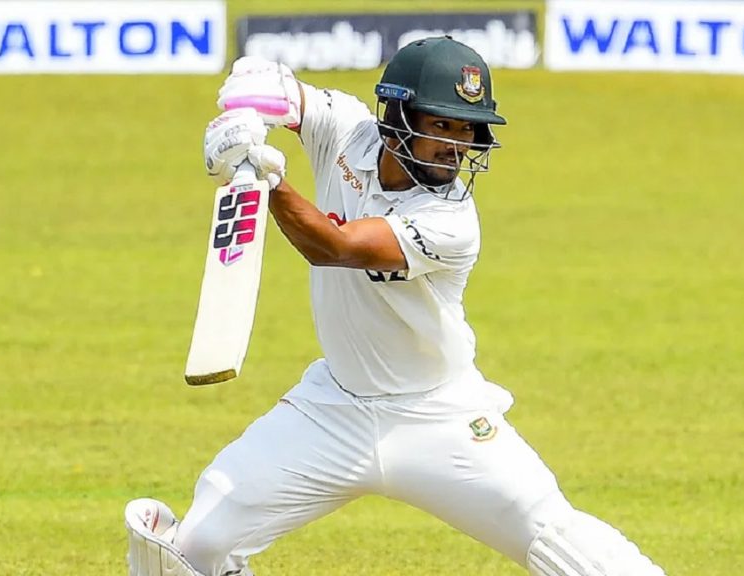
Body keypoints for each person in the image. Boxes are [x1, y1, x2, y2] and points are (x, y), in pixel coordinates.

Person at [125, 36, 667, 576]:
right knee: (195, 544)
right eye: (441, 125)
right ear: (398, 115)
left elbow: (333, 248)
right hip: (333, 409)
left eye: (467, 129)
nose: (455, 146)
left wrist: (264, 175)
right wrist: (246, 107)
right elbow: (279, 93)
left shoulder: (452, 220)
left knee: (554, 535)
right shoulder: (346, 129)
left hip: (439, 417)